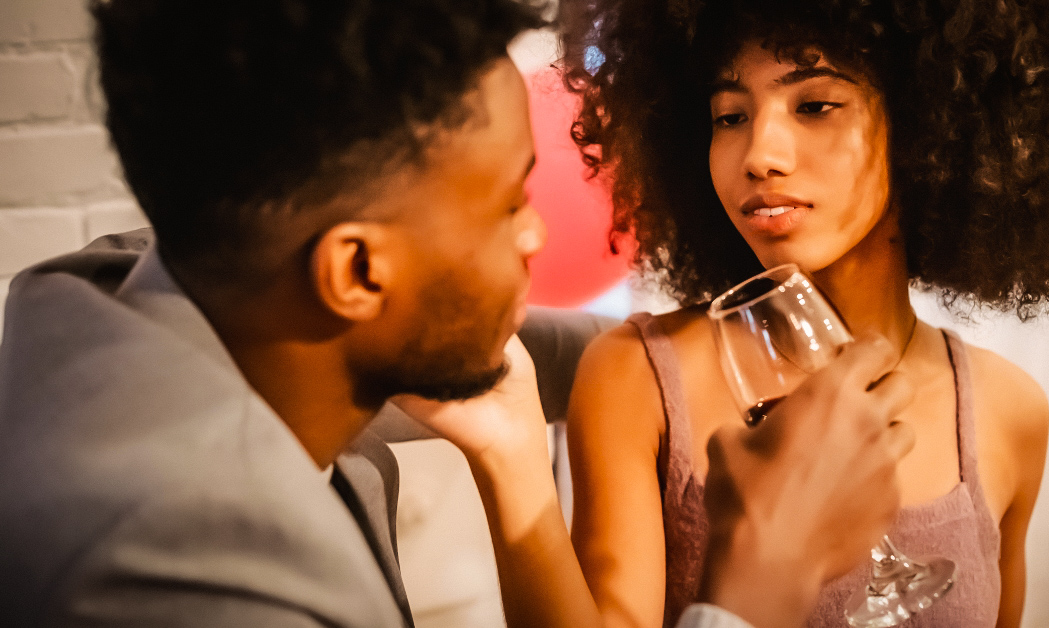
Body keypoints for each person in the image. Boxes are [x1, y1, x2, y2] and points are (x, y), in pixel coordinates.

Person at [0, 1, 913, 627]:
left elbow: (534, 341)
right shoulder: (171, 568)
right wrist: (758, 578)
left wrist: (687, 358)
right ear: (357, 270)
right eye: (507, 205)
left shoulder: (114, 298)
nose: (536, 235)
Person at [557, 0, 1049, 626]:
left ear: (929, 129)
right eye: (728, 116)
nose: (758, 155)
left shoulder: (1011, 411)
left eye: (814, 105)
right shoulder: (634, 377)